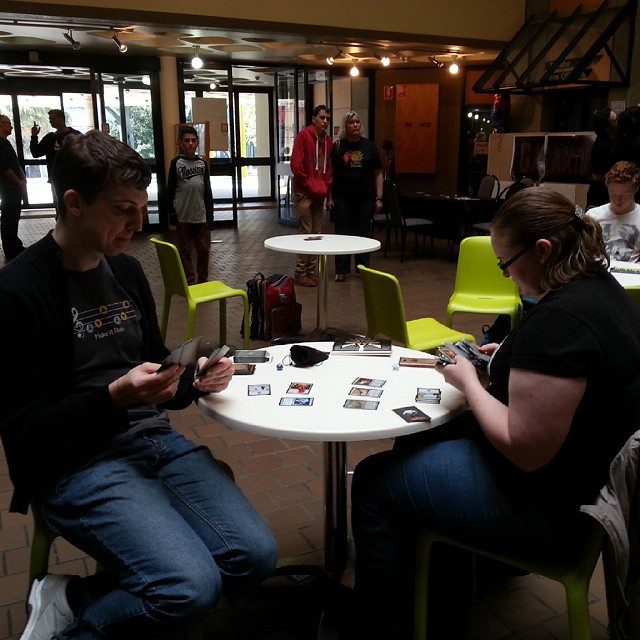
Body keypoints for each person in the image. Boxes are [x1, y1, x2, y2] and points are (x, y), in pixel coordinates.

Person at [0, 131, 277, 640]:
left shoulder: (126, 272)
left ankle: (73, 596)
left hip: (152, 443)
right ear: (74, 204)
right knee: (188, 587)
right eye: (123, 208)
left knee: (255, 557)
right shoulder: (19, 291)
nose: (139, 222)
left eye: (142, 207)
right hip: (75, 463)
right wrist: (114, 399)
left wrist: (193, 381)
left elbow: (155, 369)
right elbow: (23, 433)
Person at [351, 189, 640, 639]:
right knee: (415, 440)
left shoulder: (563, 321)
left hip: (556, 513)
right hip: (584, 481)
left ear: (543, 251)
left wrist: (469, 381)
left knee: (373, 482)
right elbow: (569, 371)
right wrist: (509, 353)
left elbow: (524, 450)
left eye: (507, 264)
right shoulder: (598, 288)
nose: (506, 276)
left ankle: (386, 625)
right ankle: (459, 580)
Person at [331, 111, 383, 281]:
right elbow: (331, 174)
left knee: (363, 235)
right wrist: (329, 198)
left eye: (358, 122)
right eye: (351, 122)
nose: (355, 125)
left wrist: (379, 197)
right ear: (345, 126)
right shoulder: (338, 147)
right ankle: (341, 269)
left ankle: (362, 269)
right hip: (343, 197)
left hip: (365, 198)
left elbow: (378, 173)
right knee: (343, 234)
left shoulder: (369, 146)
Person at [290, 104, 332, 287]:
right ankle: (300, 273)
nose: (325, 122)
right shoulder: (304, 136)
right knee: (306, 232)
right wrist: (310, 184)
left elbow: (329, 168)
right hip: (304, 193)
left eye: (328, 119)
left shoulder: (328, 142)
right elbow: (296, 165)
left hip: (319, 193)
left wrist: (324, 189)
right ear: (313, 119)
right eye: (322, 118)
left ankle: (311, 271)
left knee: (317, 233)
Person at [166, 125, 214, 284]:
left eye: (193, 140)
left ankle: (203, 280)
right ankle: (190, 281)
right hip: (183, 215)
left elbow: (207, 190)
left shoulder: (202, 164)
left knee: (203, 250)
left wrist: (210, 215)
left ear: (198, 142)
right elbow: (170, 188)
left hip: (200, 214)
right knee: (185, 251)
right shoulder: (176, 163)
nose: (190, 144)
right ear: (181, 143)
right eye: (187, 140)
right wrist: (171, 212)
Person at [587, 160, 640, 261]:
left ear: (635, 190)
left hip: (630, 274)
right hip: (597, 273)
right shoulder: (592, 215)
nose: (618, 200)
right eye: (613, 194)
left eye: (625, 195)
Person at [0, 114, 27, 261]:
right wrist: (18, 181)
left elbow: (15, 164)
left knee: (13, 216)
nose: (10, 126)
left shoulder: (6, 142)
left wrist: (22, 177)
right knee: (8, 217)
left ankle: (15, 244)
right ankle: (10, 249)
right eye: (8, 123)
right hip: (8, 187)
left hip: (14, 187)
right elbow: (4, 167)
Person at [30, 109, 80, 180]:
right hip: (55, 178)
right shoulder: (50, 137)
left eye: (53, 118)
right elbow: (36, 153)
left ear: (61, 119)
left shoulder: (76, 136)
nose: (50, 121)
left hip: (73, 177)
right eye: (49, 119)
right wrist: (34, 136)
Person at [587, 107, 617, 208]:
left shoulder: (611, 142)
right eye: (615, 120)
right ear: (607, 127)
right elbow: (597, 176)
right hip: (600, 197)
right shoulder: (602, 146)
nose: (618, 122)